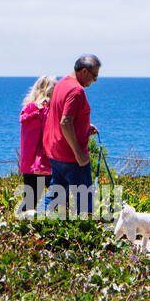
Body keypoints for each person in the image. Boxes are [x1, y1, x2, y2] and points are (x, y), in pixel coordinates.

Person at [40, 54, 101, 216]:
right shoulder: (76, 90)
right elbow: (65, 122)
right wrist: (79, 153)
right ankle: (87, 236)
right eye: (94, 75)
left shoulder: (62, 83)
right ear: (84, 72)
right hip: (71, 157)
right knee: (84, 200)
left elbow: (63, 116)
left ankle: (33, 226)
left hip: (55, 151)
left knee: (55, 195)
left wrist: (85, 127)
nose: (95, 80)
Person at [17, 76, 54, 214]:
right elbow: (52, 134)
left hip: (28, 164)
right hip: (45, 162)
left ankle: (20, 227)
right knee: (60, 198)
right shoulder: (46, 110)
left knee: (29, 201)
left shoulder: (28, 108)